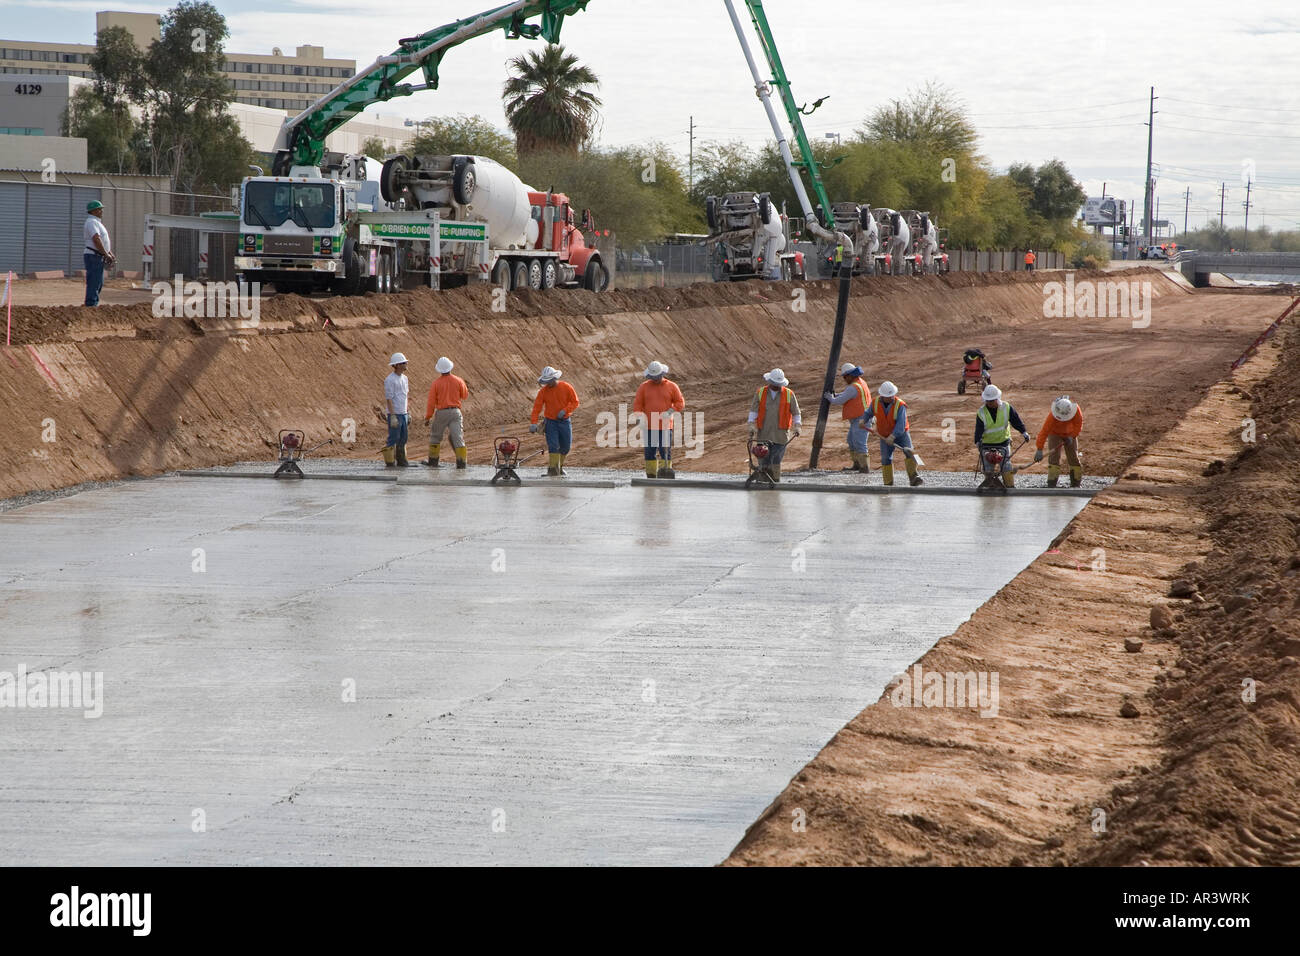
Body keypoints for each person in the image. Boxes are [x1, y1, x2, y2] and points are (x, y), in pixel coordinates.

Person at [632, 360, 685, 479]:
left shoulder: (672, 386)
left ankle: (665, 473)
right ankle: (651, 475)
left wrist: (670, 411)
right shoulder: (644, 387)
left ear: (662, 374)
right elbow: (638, 405)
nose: (656, 379)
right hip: (649, 426)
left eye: (658, 377)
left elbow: (680, 402)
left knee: (664, 450)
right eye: (653, 377)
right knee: (649, 451)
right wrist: (640, 417)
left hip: (665, 425)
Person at [863, 381, 922, 486]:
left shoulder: (900, 405)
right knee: (886, 458)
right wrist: (863, 420)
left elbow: (901, 425)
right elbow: (868, 413)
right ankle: (888, 483)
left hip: (901, 434)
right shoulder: (875, 402)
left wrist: (893, 436)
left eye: (892, 395)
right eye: (888, 396)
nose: (891, 397)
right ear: (882, 396)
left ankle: (914, 477)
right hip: (884, 434)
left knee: (910, 452)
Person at [748, 368, 801, 483]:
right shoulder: (760, 392)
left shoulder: (789, 394)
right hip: (764, 432)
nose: (776, 386)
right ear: (769, 381)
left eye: (778, 384)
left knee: (776, 459)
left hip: (780, 433)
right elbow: (754, 411)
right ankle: (763, 480)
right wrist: (751, 424)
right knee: (763, 456)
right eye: (774, 383)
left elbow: (796, 412)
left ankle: (775, 480)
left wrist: (797, 426)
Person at [974, 384, 1031, 489]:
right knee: (988, 468)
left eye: (991, 401)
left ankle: (1010, 487)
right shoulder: (981, 412)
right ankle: (990, 487)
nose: (989, 403)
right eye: (988, 401)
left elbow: (1016, 421)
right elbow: (978, 430)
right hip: (987, 444)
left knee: (1006, 467)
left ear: (997, 399)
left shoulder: (1006, 407)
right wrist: (978, 443)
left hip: (1003, 443)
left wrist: (1024, 432)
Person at [529, 366, 580, 477]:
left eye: (550, 381)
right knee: (553, 446)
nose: (549, 383)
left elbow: (575, 402)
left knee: (566, 447)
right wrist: (533, 423)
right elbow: (537, 408)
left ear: (555, 378)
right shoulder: (543, 392)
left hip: (564, 421)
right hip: (551, 422)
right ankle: (552, 470)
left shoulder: (566, 387)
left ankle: (559, 468)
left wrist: (565, 411)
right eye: (547, 381)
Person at [823, 362, 872, 472]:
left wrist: (830, 397)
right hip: (859, 418)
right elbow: (846, 394)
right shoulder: (859, 383)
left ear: (850, 375)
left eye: (845, 377)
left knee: (859, 442)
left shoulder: (853, 387)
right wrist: (836, 395)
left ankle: (864, 467)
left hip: (861, 419)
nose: (844, 379)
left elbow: (839, 401)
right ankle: (857, 464)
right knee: (851, 440)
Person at [424, 355, 469, 469]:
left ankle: (433, 462)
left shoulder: (436, 383)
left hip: (441, 413)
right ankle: (461, 463)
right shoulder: (459, 380)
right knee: (458, 437)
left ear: (439, 369)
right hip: (455, 412)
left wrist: (428, 417)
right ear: (450, 367)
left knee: (435, 437)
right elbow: (465, 395)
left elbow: (431, 402)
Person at [1035, 395, 1085, 487]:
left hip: (1070, 433)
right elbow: (1044, 432)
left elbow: (1079, 424)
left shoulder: (1076, 410)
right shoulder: (1052, 416)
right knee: (1054, 458)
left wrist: (1072, 436)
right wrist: (1039, 449)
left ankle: (1076, 484)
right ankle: (1052, 484)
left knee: (1073, 457)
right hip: (1055, 433)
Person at [83, 200, 115, 307]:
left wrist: (109, 252)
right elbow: (96, 239)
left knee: (98, 282)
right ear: (93, 211)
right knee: (94, 281)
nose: (101, 211)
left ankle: (93, 304)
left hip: (98, 255)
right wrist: (106, 254)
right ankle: (91, 305)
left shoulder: (96, 222)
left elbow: (102, 239)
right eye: (99, 209)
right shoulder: (91, 222)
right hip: (93, 256)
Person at [383, 353, 411, 468]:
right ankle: (390, 463)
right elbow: (389, 399)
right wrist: (393, 415)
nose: (406, 364)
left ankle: (401, 461)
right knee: (393, 438)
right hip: (395, 414)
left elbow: (406, 396)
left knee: (403, 438)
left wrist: (408, 412)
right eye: (404, 363)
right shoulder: (390, 380)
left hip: (403, 413)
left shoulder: (405, 378)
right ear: (397, 365)